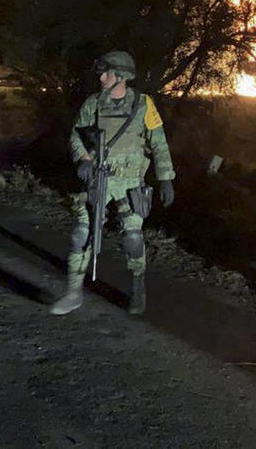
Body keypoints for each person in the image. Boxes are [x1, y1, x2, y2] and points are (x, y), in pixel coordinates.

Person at [51, 50, 175, 316]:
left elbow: (159, 143)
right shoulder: (93, 103)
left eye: (107, 73)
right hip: (98, 178)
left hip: (130, 183)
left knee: (132, 238)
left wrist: (166, 178)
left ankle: (138, 287)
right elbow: (77, 134)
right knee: (81, 234)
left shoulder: (143, 105)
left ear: (121, 76)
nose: (102, 77)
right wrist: (83, 159)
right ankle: (73, 292)